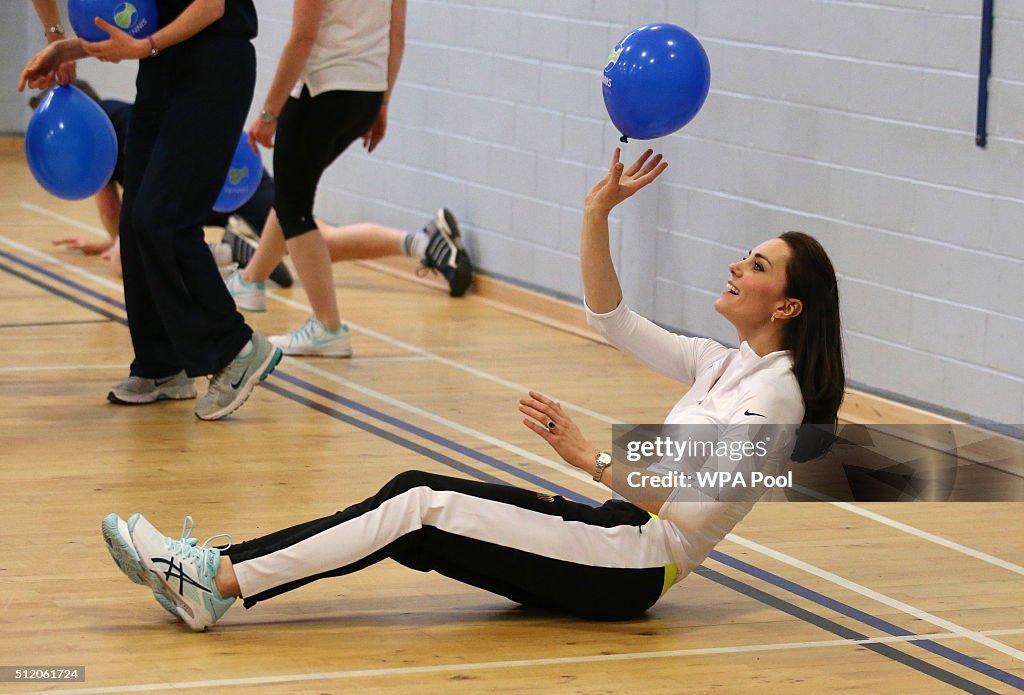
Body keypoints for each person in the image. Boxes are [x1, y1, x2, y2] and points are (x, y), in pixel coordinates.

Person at [101, 148, 846, 630]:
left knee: (418, 501)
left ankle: (216, 577)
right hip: (614, 533)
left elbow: (692, 503)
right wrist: (596, 214)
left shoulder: (778, 398)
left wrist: (586, 455)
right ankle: (218, 573)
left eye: (755, 265)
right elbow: (610, 318)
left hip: (636, 561)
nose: (736, 268)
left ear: (786, 305)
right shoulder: (726, 362)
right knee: (414, 501)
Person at [20, 0, 282, 421]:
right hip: (161, 67)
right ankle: (161, 365)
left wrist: (146, 46)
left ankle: (236, 348)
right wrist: (62, 44)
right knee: (136, 220)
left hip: (213, 62)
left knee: (164, 219)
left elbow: (211, 7)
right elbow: (141, 16)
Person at [225, 0, 470, 360]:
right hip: (366, 94)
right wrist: (382, 103)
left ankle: (327, 327)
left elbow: (303, 37)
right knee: (295, 191)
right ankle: (251, 281)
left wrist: (269, 111)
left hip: (322, 91)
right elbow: (396, 36)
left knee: (296, 209)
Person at [29, 83, 293, 286]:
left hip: (187, 190)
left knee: (128, 263)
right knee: (302, 236)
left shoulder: (92, 135)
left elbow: (110, 211)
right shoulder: (121, 114)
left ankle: (228, 252)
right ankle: (246, 247)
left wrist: (118, 244)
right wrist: (108, 244)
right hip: (236, 169)